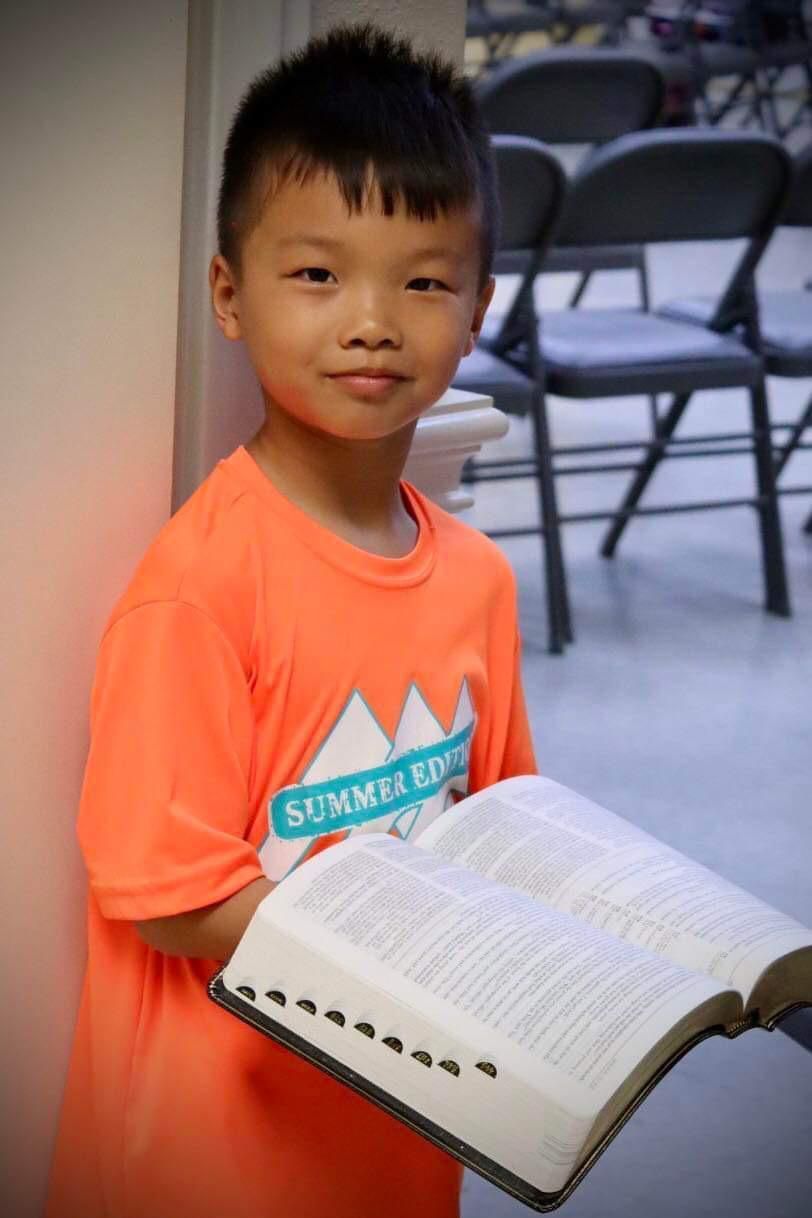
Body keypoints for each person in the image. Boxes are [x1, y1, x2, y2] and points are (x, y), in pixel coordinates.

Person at [45, 20, 537, 1218]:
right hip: (209, 1162)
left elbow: (499, 822)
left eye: (423, 282)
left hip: (397, 1130)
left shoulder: (476, 580)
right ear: (230, 293)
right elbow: (170, 898)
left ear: (476, 310)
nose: (372, 320)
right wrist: (404, 945)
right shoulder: (201, 588)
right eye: (318, 274)